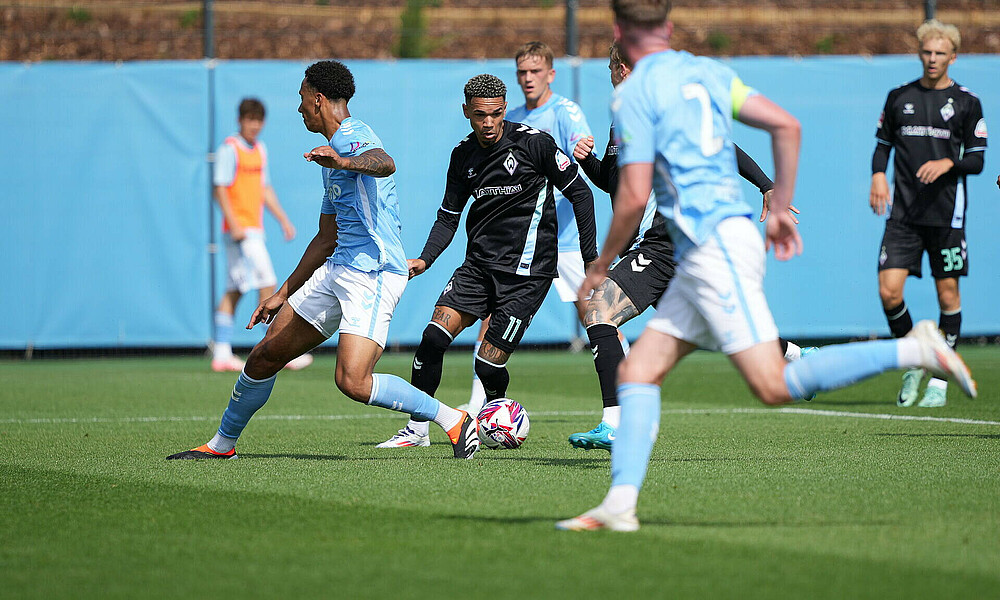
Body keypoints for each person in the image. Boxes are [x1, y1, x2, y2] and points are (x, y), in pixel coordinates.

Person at [557, 0, 975, 532]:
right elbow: (785, 125)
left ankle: (915, 347)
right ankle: (619, 506)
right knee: (639, 371)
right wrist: (778, 201)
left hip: (710, 246)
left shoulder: (632, 94)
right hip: (709, 243)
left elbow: (633, 193)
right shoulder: (706, 74)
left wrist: (602, 262)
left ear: (617, 33)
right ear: (666, 25)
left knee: (772, 385)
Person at [167, 60, 480, 461]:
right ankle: (220, 445)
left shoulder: (354, 136)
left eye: (301, 99)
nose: (298, 108)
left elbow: (385, 162)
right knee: (266, 354)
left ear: (317, 100)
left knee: (352, 380)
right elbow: (326, 237)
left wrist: (344, 161)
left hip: (375, 273)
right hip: (338, 270)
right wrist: (282, 292)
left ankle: (453, 419)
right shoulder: (328, 157)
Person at [567, 41, 812, 451]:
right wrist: (589, 161)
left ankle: (615, 424)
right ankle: (799, 359)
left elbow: (718, 147)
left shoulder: (647, 106)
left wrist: (766, 185)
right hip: (672, 243)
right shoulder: (626, 118)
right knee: (721, 331)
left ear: (622, 69)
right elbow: (619, 182)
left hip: (665, 240)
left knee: (598, 310)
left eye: (611, 72)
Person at [376, 74, 599, 449]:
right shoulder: (462, 155)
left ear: (504, 108)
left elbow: (581, 193)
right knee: (432, 339)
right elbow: (448, 216)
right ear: (466, 112)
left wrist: (591, 258)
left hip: (527, 276)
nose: (489, 122)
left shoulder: (534, 143)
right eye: (480, 115)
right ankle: (417, 431)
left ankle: (498, 416)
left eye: (496, 114)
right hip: (477, 270)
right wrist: (426, 259)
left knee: (487, 364)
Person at [870, 19, 987, 408]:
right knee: (889, 291)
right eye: (927, 52)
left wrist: (948, 164)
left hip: (946, 216)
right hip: (903, 213)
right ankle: (913, 360)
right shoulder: (899, 96)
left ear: (953, 57)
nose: (933, 59)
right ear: (919, 54)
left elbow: (977, 161)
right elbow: (883, 145)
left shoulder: (968, 102)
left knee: (947, 293)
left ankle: (939, 379)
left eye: (940, 53)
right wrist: (877, 177)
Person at [210, 98, 313, 373]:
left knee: (236, 287)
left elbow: (264, 188)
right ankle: (274, 350)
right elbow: (219, 188)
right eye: (249, 119)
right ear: (240, 120)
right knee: (268, 283)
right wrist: (233, 223)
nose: (254, 125)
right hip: (240, 231)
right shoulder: (229, 149)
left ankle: (221, 353)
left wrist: (283, 220)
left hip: (252, 229)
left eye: (258, 120)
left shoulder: (260, 150)